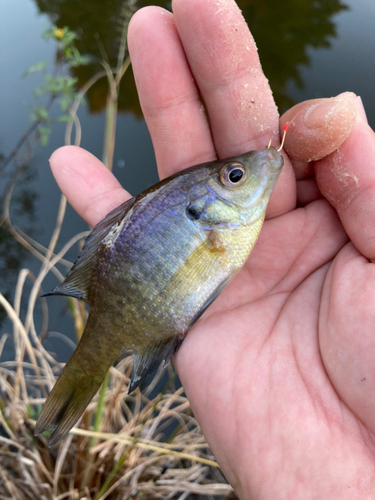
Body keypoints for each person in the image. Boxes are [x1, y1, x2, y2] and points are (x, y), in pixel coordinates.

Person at [49, 0, 375, 497]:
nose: (248, 170)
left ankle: (61, 406)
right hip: (139, 310)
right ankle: (70, 393)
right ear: (207, 208)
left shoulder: (232, 226)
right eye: (235, 176)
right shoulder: (222, 228)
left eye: (233, 173)